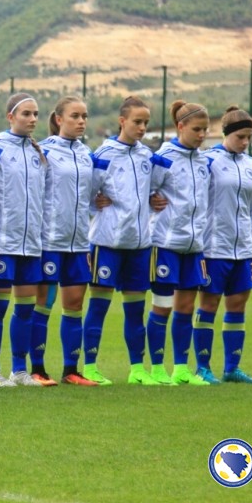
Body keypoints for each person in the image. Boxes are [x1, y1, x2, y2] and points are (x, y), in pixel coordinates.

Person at [84, 96, 158, 385]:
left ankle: (137, 370)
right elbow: (88, 192)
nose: (142, 127)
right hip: (107, 244)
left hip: (139, 246)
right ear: (122, 121)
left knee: (136, 311)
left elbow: (155, 190)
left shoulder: (148, 156)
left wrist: (156, 199)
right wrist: (95, 203)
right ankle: (90, 367)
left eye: (146, 123)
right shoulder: (104, 153)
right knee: (98, 307)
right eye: (137, 121)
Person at [194, 106, 252, 384]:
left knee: (237, 304)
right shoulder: (208, 161)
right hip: (214, 248)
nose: (245, 142)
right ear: (226, 133)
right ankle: (203, 368)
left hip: (243, 249)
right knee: (209, 304)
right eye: (240, 136)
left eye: (248, 137)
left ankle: (232, 368)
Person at [0, 92, 47, 387]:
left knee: (25, 309)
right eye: (26, 114)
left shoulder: (38, 153)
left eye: (35, 114)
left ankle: (19, 369)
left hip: (30, 244)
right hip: (3, 244)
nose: (32, 119)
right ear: (11, 117)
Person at [32, 95, 96, 386]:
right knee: (43, 304)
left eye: (84, 116)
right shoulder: (43, 150)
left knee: (74, 304)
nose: (81, 121)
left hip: (79, 242)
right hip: (50, 242)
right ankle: (37, 368)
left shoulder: (87, 154)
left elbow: (93, 194)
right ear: (59, 119)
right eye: (75, 116)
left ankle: (71, 370)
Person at [146, 100, 211, 386]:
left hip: (194, 247)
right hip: (165, 244)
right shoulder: (163, 158)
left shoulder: (204, 161)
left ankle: (181, 369)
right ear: (180, 126)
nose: (202, 135)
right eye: (196, 129)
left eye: (205, 130)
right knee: (162, 307)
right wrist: (150, 199)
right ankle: (157, 368)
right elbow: (143, 191)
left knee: (185, 308)